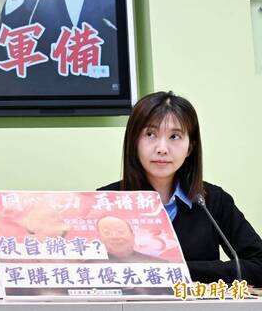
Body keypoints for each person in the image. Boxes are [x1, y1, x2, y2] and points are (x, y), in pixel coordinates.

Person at [100, 91, 262, 285]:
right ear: (134, 142)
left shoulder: (212, 201)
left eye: (174, 136)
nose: (162, 148)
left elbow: (258, 265)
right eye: (150, 134)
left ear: (190, 147)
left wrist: (179, 271)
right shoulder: (104, 201)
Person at [95, 216, 165, 264]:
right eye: (107, 233)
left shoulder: (159, 264)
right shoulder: (91, 265)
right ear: (100, 237)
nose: (115, 236)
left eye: (121, 231)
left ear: (132, 236)